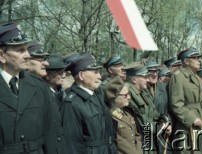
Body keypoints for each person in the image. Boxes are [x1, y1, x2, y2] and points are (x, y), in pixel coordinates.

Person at [0, 23, 54, 153]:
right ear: (2, 56)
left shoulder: (39, 86)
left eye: (27, 49)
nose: (28, 55)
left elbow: (51, 133)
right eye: (20, 50)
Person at [61, 53, 117, 154]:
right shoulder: (71, 104)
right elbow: (72, 146)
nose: (100, 76)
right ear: (81, 75)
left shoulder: (97, 95)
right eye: (95, 72)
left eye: (99, 72)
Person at [168, 47, 202, 154]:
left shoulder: (196, 76)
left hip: (201, 122)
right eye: (195, 58)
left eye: (199, 57)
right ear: (186, 61)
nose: (199, 60)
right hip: (187, 125)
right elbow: (176, 104)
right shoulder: (178, 76)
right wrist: (192, 118)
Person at [105, 76, 143, 154]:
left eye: (128, 94)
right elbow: (119, 142)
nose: (129, 97)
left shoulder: (127, 113)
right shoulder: (109, 116)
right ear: (115, 97)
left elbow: (137, 136)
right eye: (125, 95)